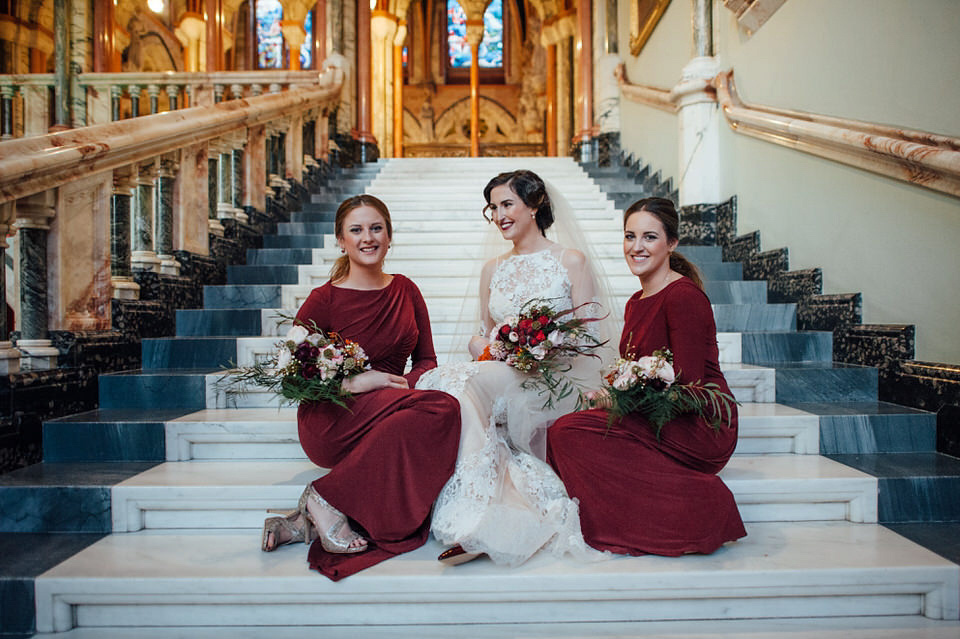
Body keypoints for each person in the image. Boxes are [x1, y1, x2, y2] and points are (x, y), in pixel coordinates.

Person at [415, 170, 613, 566]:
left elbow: (589, 336)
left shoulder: (570, 260)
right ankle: (494, 505)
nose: (499, 214)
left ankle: (483, 513)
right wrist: (493, 346)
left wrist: (543, 345)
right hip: (506, 369)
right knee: (443, 380)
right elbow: (481, 336)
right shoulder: (494, 268)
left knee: (454, 379)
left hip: (553, 377)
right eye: (493, 207)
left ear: (534, 205)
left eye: (507, 204)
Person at [261, 194, 461, 581]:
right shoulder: (325, 299)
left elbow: (426, 361)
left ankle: (319, 505)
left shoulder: (406, 290)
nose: (367, 238)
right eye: (356, 230)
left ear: (389, 236)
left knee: (435, 410)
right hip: (334, 416)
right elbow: (293, 374)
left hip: (391, 407)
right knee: (443, 409)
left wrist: (406, 384)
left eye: (376, 228)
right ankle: (324, 500)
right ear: (341, 240)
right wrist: (353, 381)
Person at [547, 197, 746, 556]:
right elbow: (643, 373)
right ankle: (634, 513)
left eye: (649, 237)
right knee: (567, 430)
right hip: (656, 410)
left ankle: (703, 503)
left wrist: (618, 400)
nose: (636, 247)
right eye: (630, 236)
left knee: (568, 432)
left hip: (700, 421)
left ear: (671, 243)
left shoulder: (682, 296)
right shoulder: (636, 301)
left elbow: (687, 388)